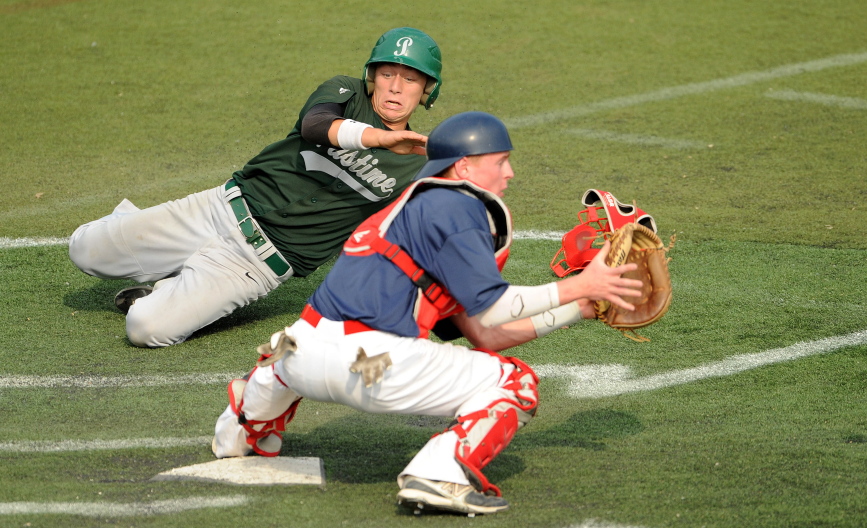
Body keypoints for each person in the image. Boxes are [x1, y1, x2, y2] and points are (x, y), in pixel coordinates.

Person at [210, 111, 644, 516]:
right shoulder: (458, 206)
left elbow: (487, 335)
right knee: (516, 382)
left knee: (286, 357)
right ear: (465, 167)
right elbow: (492, 306)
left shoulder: (411, 211)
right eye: (501, 160)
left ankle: (237, 429)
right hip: (368, 367)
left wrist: (578, 308)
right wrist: (579, 285)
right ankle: (439, 474)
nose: (509, 172)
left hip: (295, 353)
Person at [68, 27, 442, 347]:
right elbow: (315, 125)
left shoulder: (421, 165)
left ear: (426, 90)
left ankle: (167, 289)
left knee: (144, 328)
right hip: (216, 209)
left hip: (254, 265)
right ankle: (148, 241)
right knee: (84, 249)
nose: (395, 87)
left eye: (409, 79)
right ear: (371, 75)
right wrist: (379, 139)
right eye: (387, 74)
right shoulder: (345, 90)